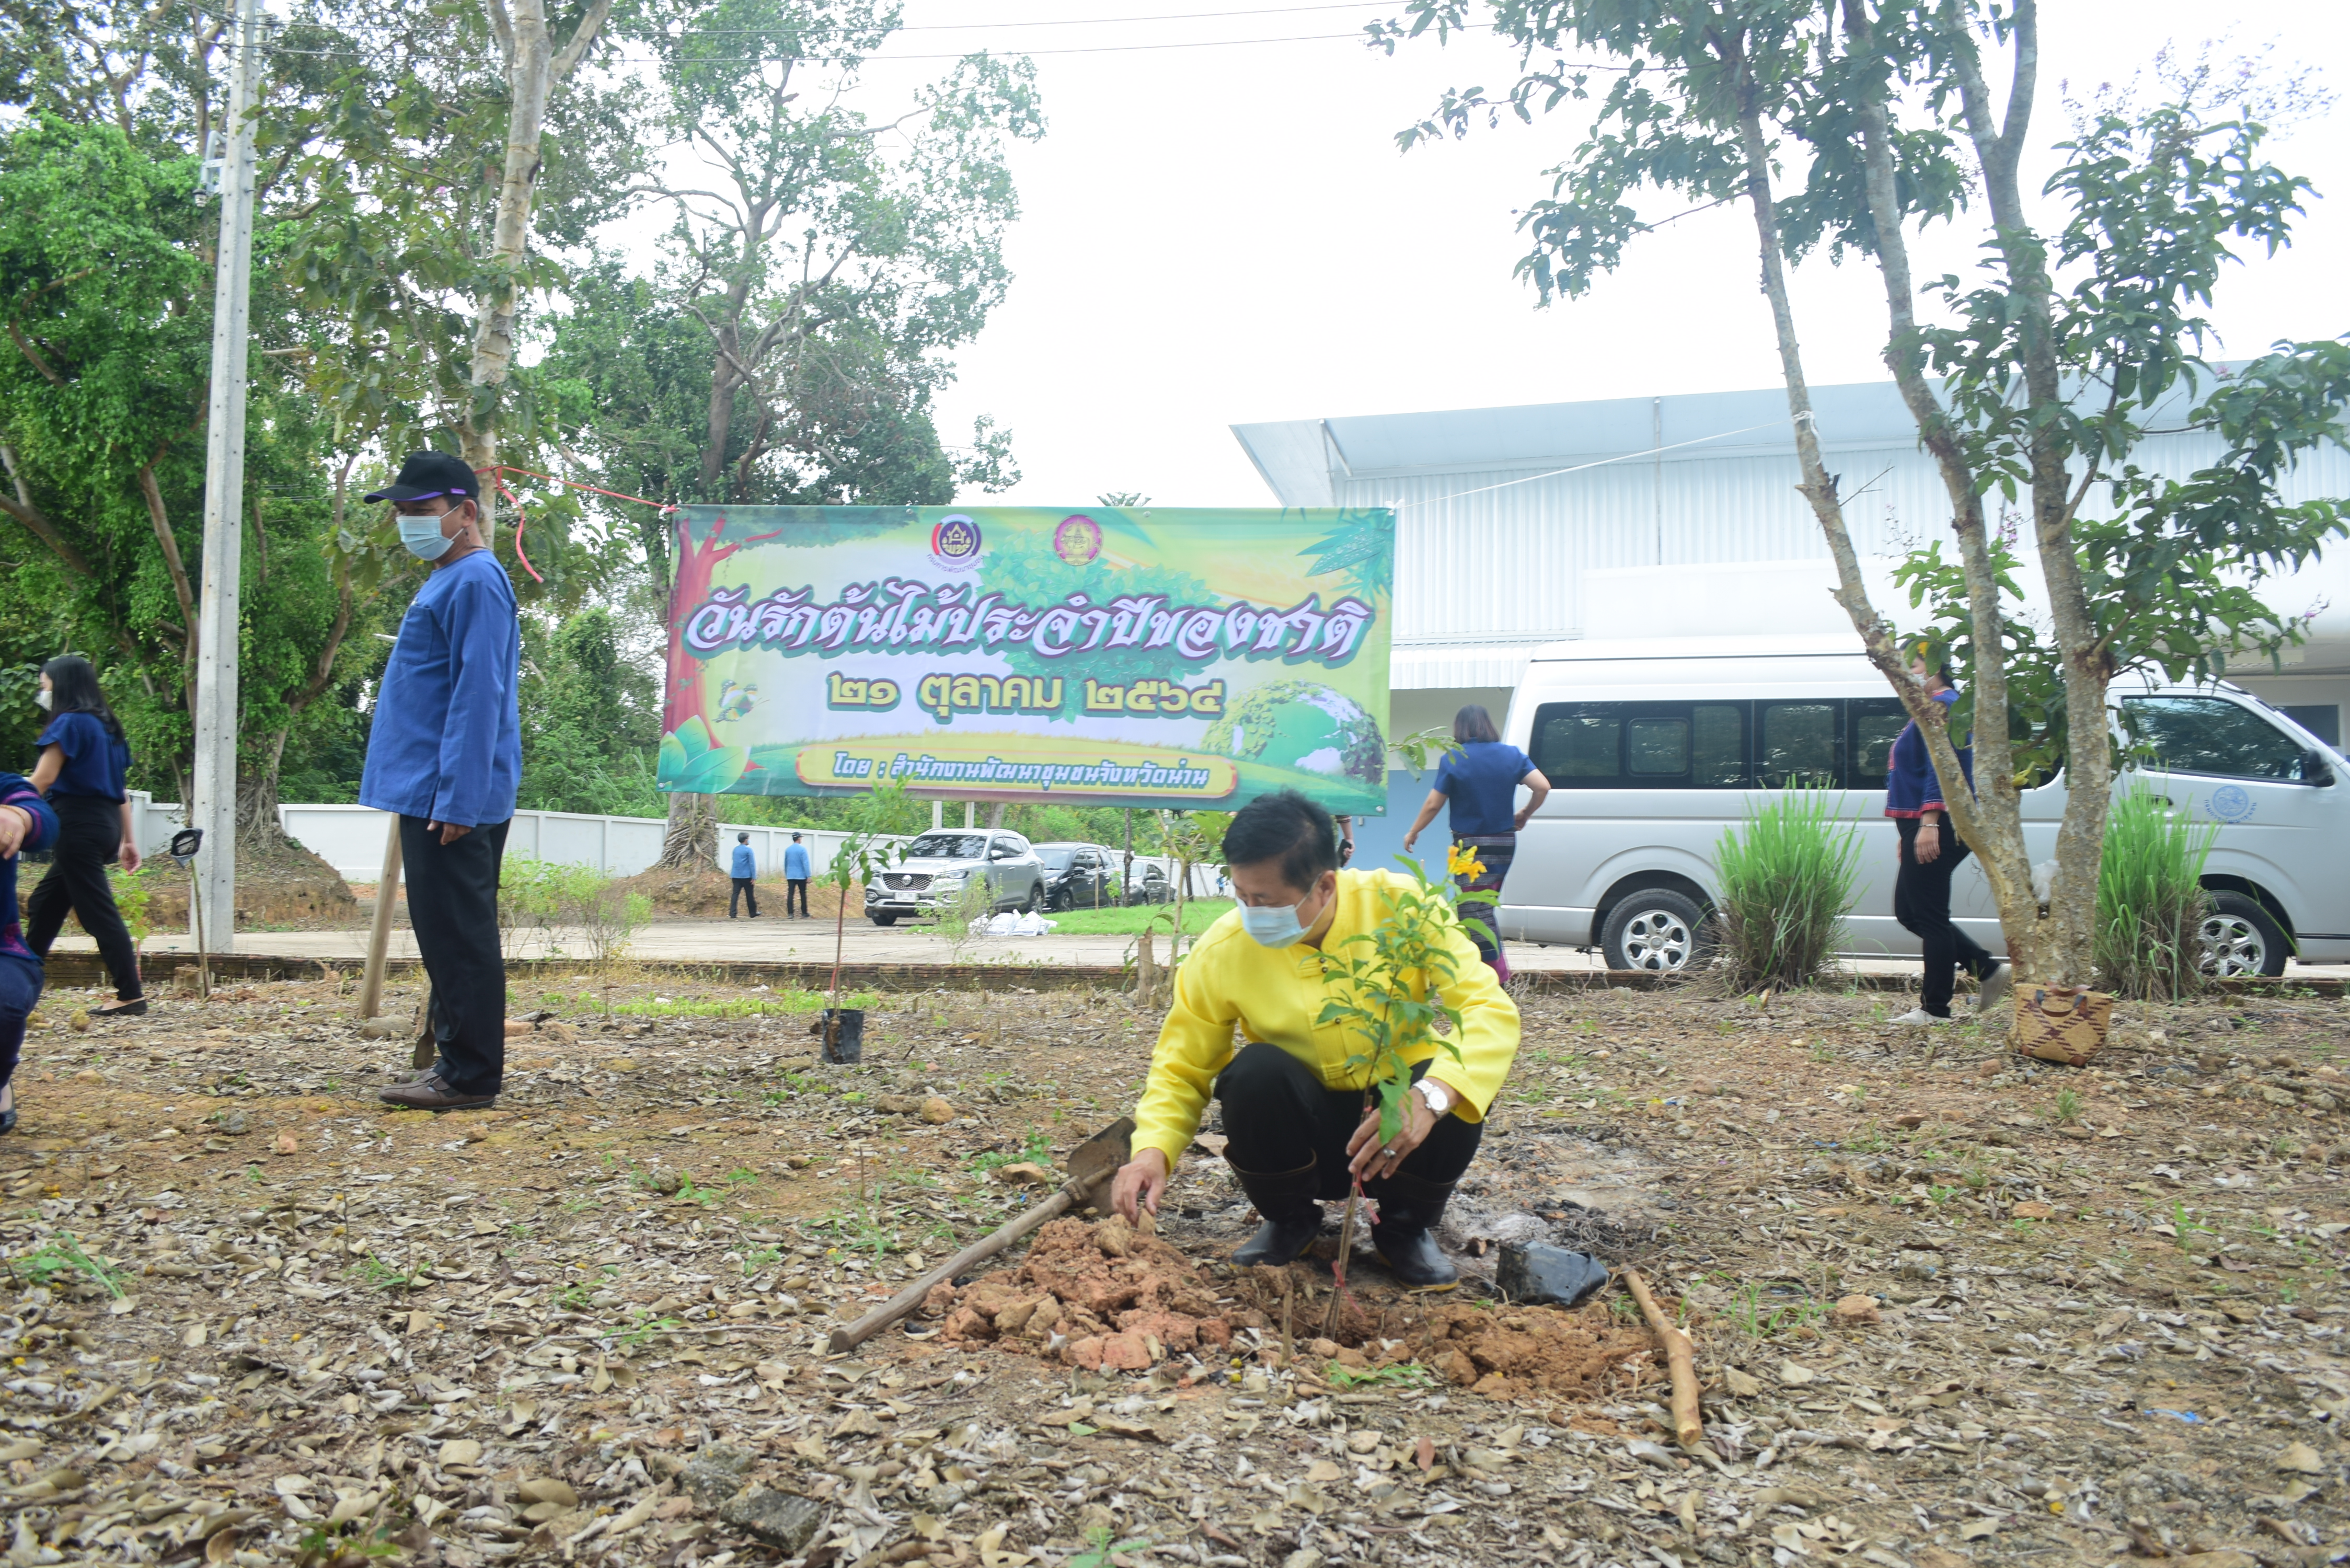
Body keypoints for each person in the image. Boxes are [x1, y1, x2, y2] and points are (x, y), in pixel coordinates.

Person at [1109, 790, 1519, 1290]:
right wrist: (1152, 1149)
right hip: (1302, 1134)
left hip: (1398, 1125)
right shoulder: (1223, 951)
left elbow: (1487, 1008)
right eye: (1241, 896)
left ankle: (1403, 1227)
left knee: (1453, 1078)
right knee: (1254, 1073)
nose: (1251, 912)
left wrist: (1432, 1096)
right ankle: (1290, 1220)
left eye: (1266, 900)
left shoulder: (1403, 907)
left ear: (1325, 884)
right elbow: (1182, 1065)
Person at [358, 452, 522, 1112]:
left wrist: (458, 798)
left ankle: (471, 1076)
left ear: (465, 512)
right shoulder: (451, 577)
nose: (408, 523)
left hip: (448, 795)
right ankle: (455, 1064)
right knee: (445, 933)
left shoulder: (475, 580)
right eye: (401, 512)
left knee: (460, 935)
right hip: (431, 788)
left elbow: (479, 695)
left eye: (420, 511)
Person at [1886, 659, 2008, 1024]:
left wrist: (1929, 822)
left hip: (1939, 821)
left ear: (1935, 665)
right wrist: (1910, 831)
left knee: (1930, 916)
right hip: (1923, 823)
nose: (1903, 671)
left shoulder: (1944, 706)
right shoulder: (1932, 706)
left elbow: (1946, 768)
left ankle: (1935, 1009)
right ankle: (1986, 968)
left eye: (1912, 662)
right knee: (1910, 911)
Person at [22, 656, 145, 1016]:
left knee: (98, 914)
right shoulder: (108, 727)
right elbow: (121, 790)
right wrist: (128, 840)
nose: (43, 692)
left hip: (78, 826)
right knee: (45, 904)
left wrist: (8, 799)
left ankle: (131, 995)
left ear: (61, 685)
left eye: (45, 685)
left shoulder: (70, 723)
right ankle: (20, 984)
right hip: (104, 826)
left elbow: (43, 779)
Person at [1402, 705, 1551, 979]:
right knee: (1482, 908)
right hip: (1504, 843)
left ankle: (1497, 977)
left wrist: (1414, 831)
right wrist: (1526, 813)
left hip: (1469, 846)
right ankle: (1483, 975)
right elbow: (1542, 786)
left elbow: (1434, 804)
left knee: (1473, 911)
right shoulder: (1512, 754)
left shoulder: (1454, 758)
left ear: (1460, 728)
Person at [0, 772, 61, 1134]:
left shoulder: (6, 788)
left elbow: (44, 822)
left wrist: (18, 816)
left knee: (4, 1002)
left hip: (5, 954)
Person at [729, 832, 759, 918]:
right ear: (746, 840)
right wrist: (754, 877)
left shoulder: (735, 850)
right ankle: (752, 912)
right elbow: (752, 864)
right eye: (748, 839)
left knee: (735, 894)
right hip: (746, 876)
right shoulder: (749, 850)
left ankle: (733, 913)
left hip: (736, 875)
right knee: (749, 894)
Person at [784, 832, 811, 918]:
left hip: (791, 875)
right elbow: (806, 863)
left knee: (791, 893)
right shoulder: (803, 850)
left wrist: (787, 874)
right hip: (801, 875)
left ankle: (790, 913)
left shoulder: (788, 850)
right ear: (799, 839)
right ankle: (804, 913)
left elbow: (786, 863)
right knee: (803, 893)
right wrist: (809, 876)